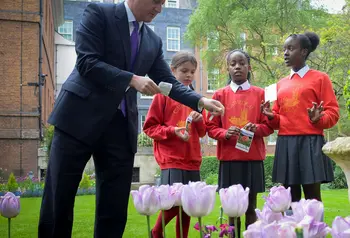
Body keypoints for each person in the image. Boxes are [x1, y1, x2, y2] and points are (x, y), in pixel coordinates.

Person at [38, 1, 224, 237]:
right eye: (156, 1)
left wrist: (199, 101)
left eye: (164, 3)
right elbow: (87, 62)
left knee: (114, 208)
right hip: (78, 119)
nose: (160, 8)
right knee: (59, 200)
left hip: (119, 127)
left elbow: (167, 82)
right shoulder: (99, 13)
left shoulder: (153, 41)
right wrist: (131, 79)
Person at [261, 32, 339, 207]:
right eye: (284, 49)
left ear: (304, 52)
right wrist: (271, 117)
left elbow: (333, 112)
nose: (285, 53)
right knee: (289, 200)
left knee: (313, 199)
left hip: (310, 143)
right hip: (285, 144)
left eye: (290, 48)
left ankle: (314, 233)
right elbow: (277, 120)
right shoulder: (280, 84)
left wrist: (318, 119)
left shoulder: (320, 78)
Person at [206, 49, 273, 237]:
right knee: (232, 210)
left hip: (253, 159)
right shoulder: (219, 96)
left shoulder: (261, 94)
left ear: (249, 67)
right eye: (233, 63)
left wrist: (256, 129)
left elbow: (269, 126)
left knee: (251, 207)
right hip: (229, 160)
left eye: (241, 63)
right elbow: (210, 127)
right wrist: (225, 133)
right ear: (227, 68)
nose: (237, 67)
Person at [143, 51, 206, 238]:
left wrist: (199, 119)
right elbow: (150, 128)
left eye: (192, 72)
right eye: (184, 70)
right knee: (173, 202)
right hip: (172, 160)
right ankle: (156, 231)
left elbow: (203, 132)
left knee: (188, 206)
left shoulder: (196, 99)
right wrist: (173, 131)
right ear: (172, 70)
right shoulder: (162, 97)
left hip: (192, 159)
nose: (188, 75)